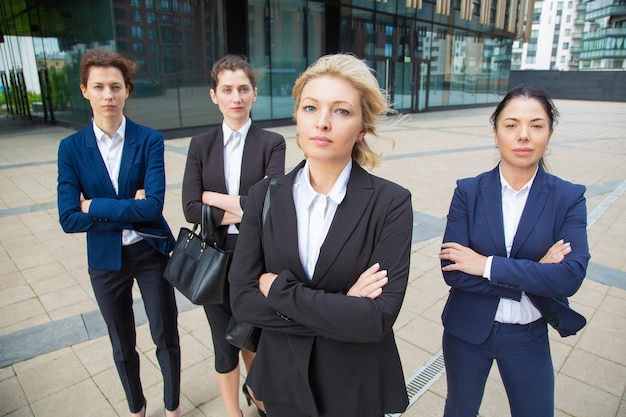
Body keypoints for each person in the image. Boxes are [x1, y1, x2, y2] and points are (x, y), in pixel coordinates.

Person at [229, 53, 412, 417]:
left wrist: (280, 291)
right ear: (297, 116)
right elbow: (243, 300)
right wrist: (343, 303)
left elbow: (376, 319)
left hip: (355, 382)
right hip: (283, 378)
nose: (323, 123)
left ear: (362, 128)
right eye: (311, 108)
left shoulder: (391, 203)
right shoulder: (263, 196)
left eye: (342, 111)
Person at [438, 85, 590, 417]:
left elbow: (569, 277)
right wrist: (536, 270)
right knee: (460, 409)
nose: (523, 135)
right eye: (511, 125)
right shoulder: (469, 192)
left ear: (549, 134)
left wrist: (486, 265)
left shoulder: (568, 197)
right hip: (467, 332)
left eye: (536, 125)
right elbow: (453, 271)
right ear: (495, 133)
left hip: (528, 334)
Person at [57, 50, 181, 417]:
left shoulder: (149, 140)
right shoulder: (71, 148)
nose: (107, 94)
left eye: (115, 86)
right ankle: (136, 407)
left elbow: (153, 207)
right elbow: (68, 218)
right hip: (105, 259)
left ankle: (172, 406)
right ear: (85, 91)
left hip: (150, 251)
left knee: (165, 335)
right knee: (122, 341)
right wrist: (130, 207)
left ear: (127, 91)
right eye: (98, 86)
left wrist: (92, 206)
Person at [181, 54, 286, 417]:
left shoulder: (272, 143)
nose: (236, 97)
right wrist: (244, 203)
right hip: (215, 257)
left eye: (243, 88)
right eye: (227, 89)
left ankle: (260, 398)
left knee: (254, 336)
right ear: (214, 95)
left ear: (254, 93)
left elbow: (269, 205)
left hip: (256, 257)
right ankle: (233, 412)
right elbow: (191, 210)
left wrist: (212, 197)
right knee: (223, 342)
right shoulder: (200, 145)